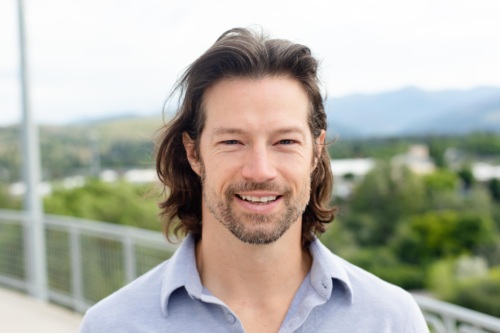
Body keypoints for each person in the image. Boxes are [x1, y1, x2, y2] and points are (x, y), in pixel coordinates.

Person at [79, 27, 429, 333]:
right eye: (232, 141)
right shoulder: (112, 326)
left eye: (285, 141)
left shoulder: (391, 321)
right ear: (194, 153)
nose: (260, 170)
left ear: (316, 151)